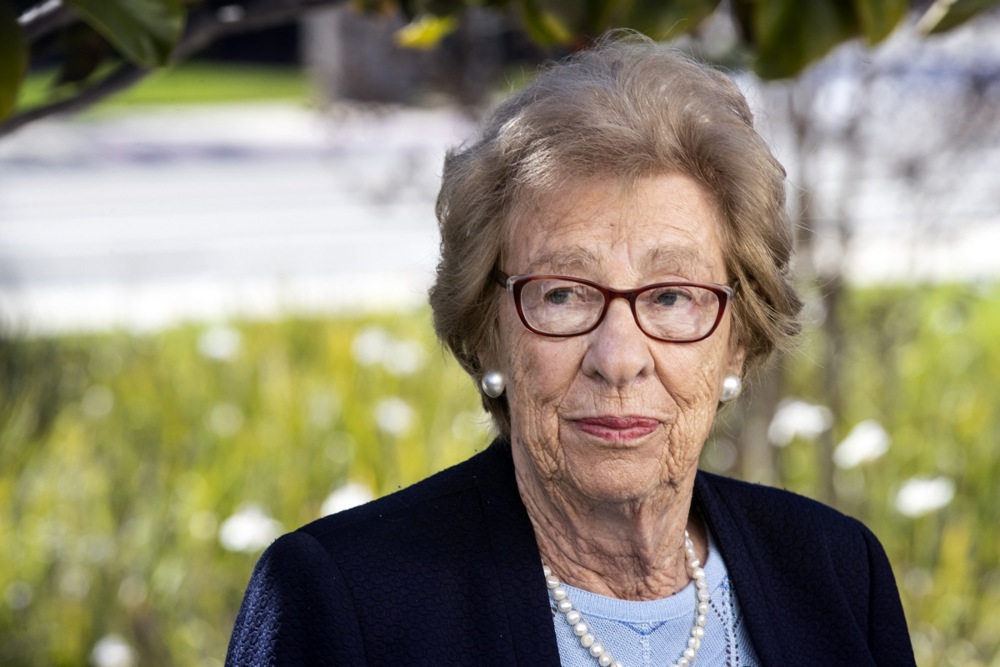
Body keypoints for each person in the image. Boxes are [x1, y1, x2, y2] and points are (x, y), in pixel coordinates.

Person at [226, 33, 915, 666]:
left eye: (671, 296)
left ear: (737, 340)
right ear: (488, 330)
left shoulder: (837, 572)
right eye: (563, 294)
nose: (618, 358)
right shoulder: (346, 599)